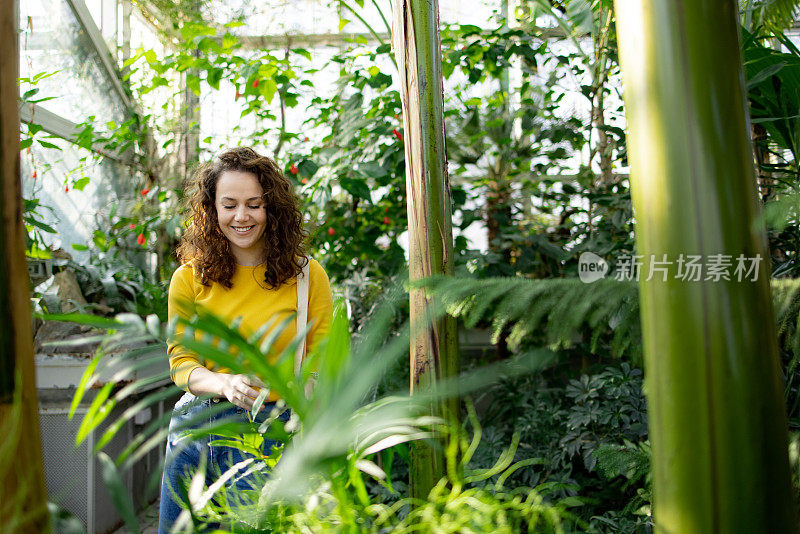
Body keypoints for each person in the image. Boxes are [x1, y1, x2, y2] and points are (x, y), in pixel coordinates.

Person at [157, 147, 333, 533]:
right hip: (198, 429)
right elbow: (181, 363)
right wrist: (223, 382)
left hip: (273, 433)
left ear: (272, 209)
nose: (242, 216)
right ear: (211, 210)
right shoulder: (188, 279)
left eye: (254, 204)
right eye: (230, 204)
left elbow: (323, 364)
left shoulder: (307, 277)